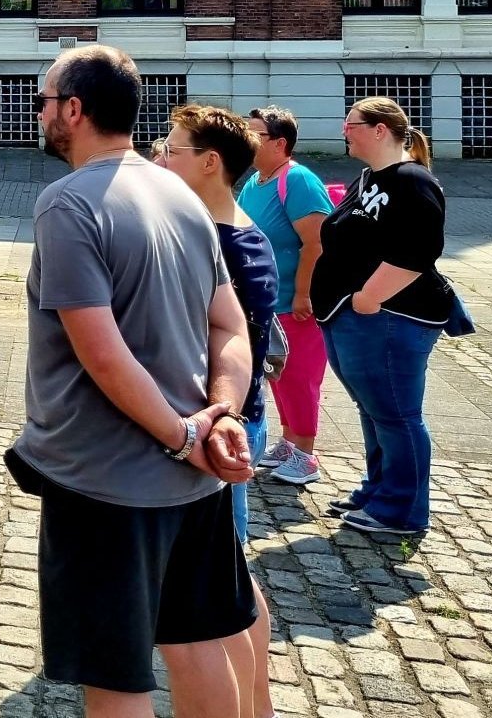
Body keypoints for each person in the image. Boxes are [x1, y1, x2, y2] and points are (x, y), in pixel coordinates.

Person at [11, 45, 261, 718]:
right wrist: (225, 416)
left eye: (42, 101)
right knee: (198, 641)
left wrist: (184, 435)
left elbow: (103, 354)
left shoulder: (67, 204)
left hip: (107, 482)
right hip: (197, 477)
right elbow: (231, 328)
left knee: (116, 676)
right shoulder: (177, 192)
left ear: (73, 109)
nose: (38, 114)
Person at [157, 104, 282, 718]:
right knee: (231, 576)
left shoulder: (218, 243)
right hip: (238, 420)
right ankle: (256, 700)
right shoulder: (242, 231)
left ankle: (250, 704)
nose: (159, 155)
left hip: (219, 429)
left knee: (216, 593)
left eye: (172, 147)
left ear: (210, 164)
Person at [311, 97, 456, 536]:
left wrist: (369, 297)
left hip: (390, 316)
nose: (344, 131)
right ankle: (379, 490)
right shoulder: (368, 178)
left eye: (352, 124)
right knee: (374, 409)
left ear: (379, 130)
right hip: (351, 315)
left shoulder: (412, 180)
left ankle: (401, 510)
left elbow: (418, 250)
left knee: (396, 414)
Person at [238, 106, 335, 486]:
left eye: (255, 134)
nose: (246, 139)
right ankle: (290, 441)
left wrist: (303, 294)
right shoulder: (256, 181)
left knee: (299, 377)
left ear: (280, 143)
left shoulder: (297, 181)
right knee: (277, 375)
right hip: (266, 302)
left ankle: (306, 455)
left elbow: (316, 243)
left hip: (295, 303)